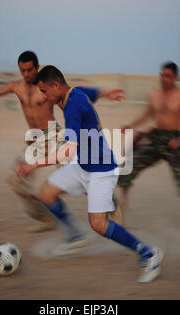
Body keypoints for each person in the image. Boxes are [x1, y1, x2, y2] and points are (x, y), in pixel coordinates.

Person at [0, 51, 125, 232]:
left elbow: (75, 94)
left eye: (30, 70)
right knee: (17, 181)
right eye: (22, 70)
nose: (26, 74)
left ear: (37, 68)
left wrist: (105, 93)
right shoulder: (17, 87)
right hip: (36, 140)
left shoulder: (47, 89)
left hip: (54, 136)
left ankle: (109, 203)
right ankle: (45, 218)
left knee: (76, 180)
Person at [17, 65, 163, 283]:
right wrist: (107, 92)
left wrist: (33, 165)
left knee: (98, 224)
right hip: (83, 165)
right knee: (46, 193)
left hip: (101, 170)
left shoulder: (72, 106)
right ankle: (75, 236)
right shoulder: (74, 92)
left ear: (56, 85)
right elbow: (92, 92)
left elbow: (67, 151)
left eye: (45, 91)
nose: (44, 96)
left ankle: (149, 254)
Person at [118, 61, 180, 229]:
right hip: (156, 138)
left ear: (176, 77)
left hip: (174, 141)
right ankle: (124, 203)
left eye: (167, 76)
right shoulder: (154, 94)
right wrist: (131, 125)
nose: (163, 78)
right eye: (161, 75)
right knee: (128, 165)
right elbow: (147, 115)